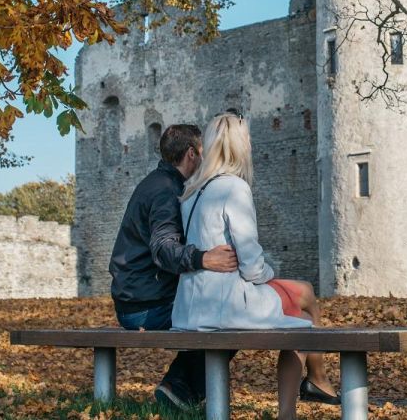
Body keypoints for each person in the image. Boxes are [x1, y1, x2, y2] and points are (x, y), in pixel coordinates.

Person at [173, 112, 339, 419]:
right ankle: (308, 390)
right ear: (239, 146)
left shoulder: (193, 192)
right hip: (224, 304)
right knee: (304, 313)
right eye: (246, 139)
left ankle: (309, 389)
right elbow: (250, 263)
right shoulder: (234, 188)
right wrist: (268, 275)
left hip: (191, 305)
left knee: (300, 310)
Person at [109, 123, 240, 409]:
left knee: (223, 311)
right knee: (230, 317)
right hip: (143, 308)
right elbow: (163, 248)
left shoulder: (161, 183)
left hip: (138, 297)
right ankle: (179, 389)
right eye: (204, 153)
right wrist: (203, 258)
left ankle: (179, 387)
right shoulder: (165, 191)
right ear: (191, 154)